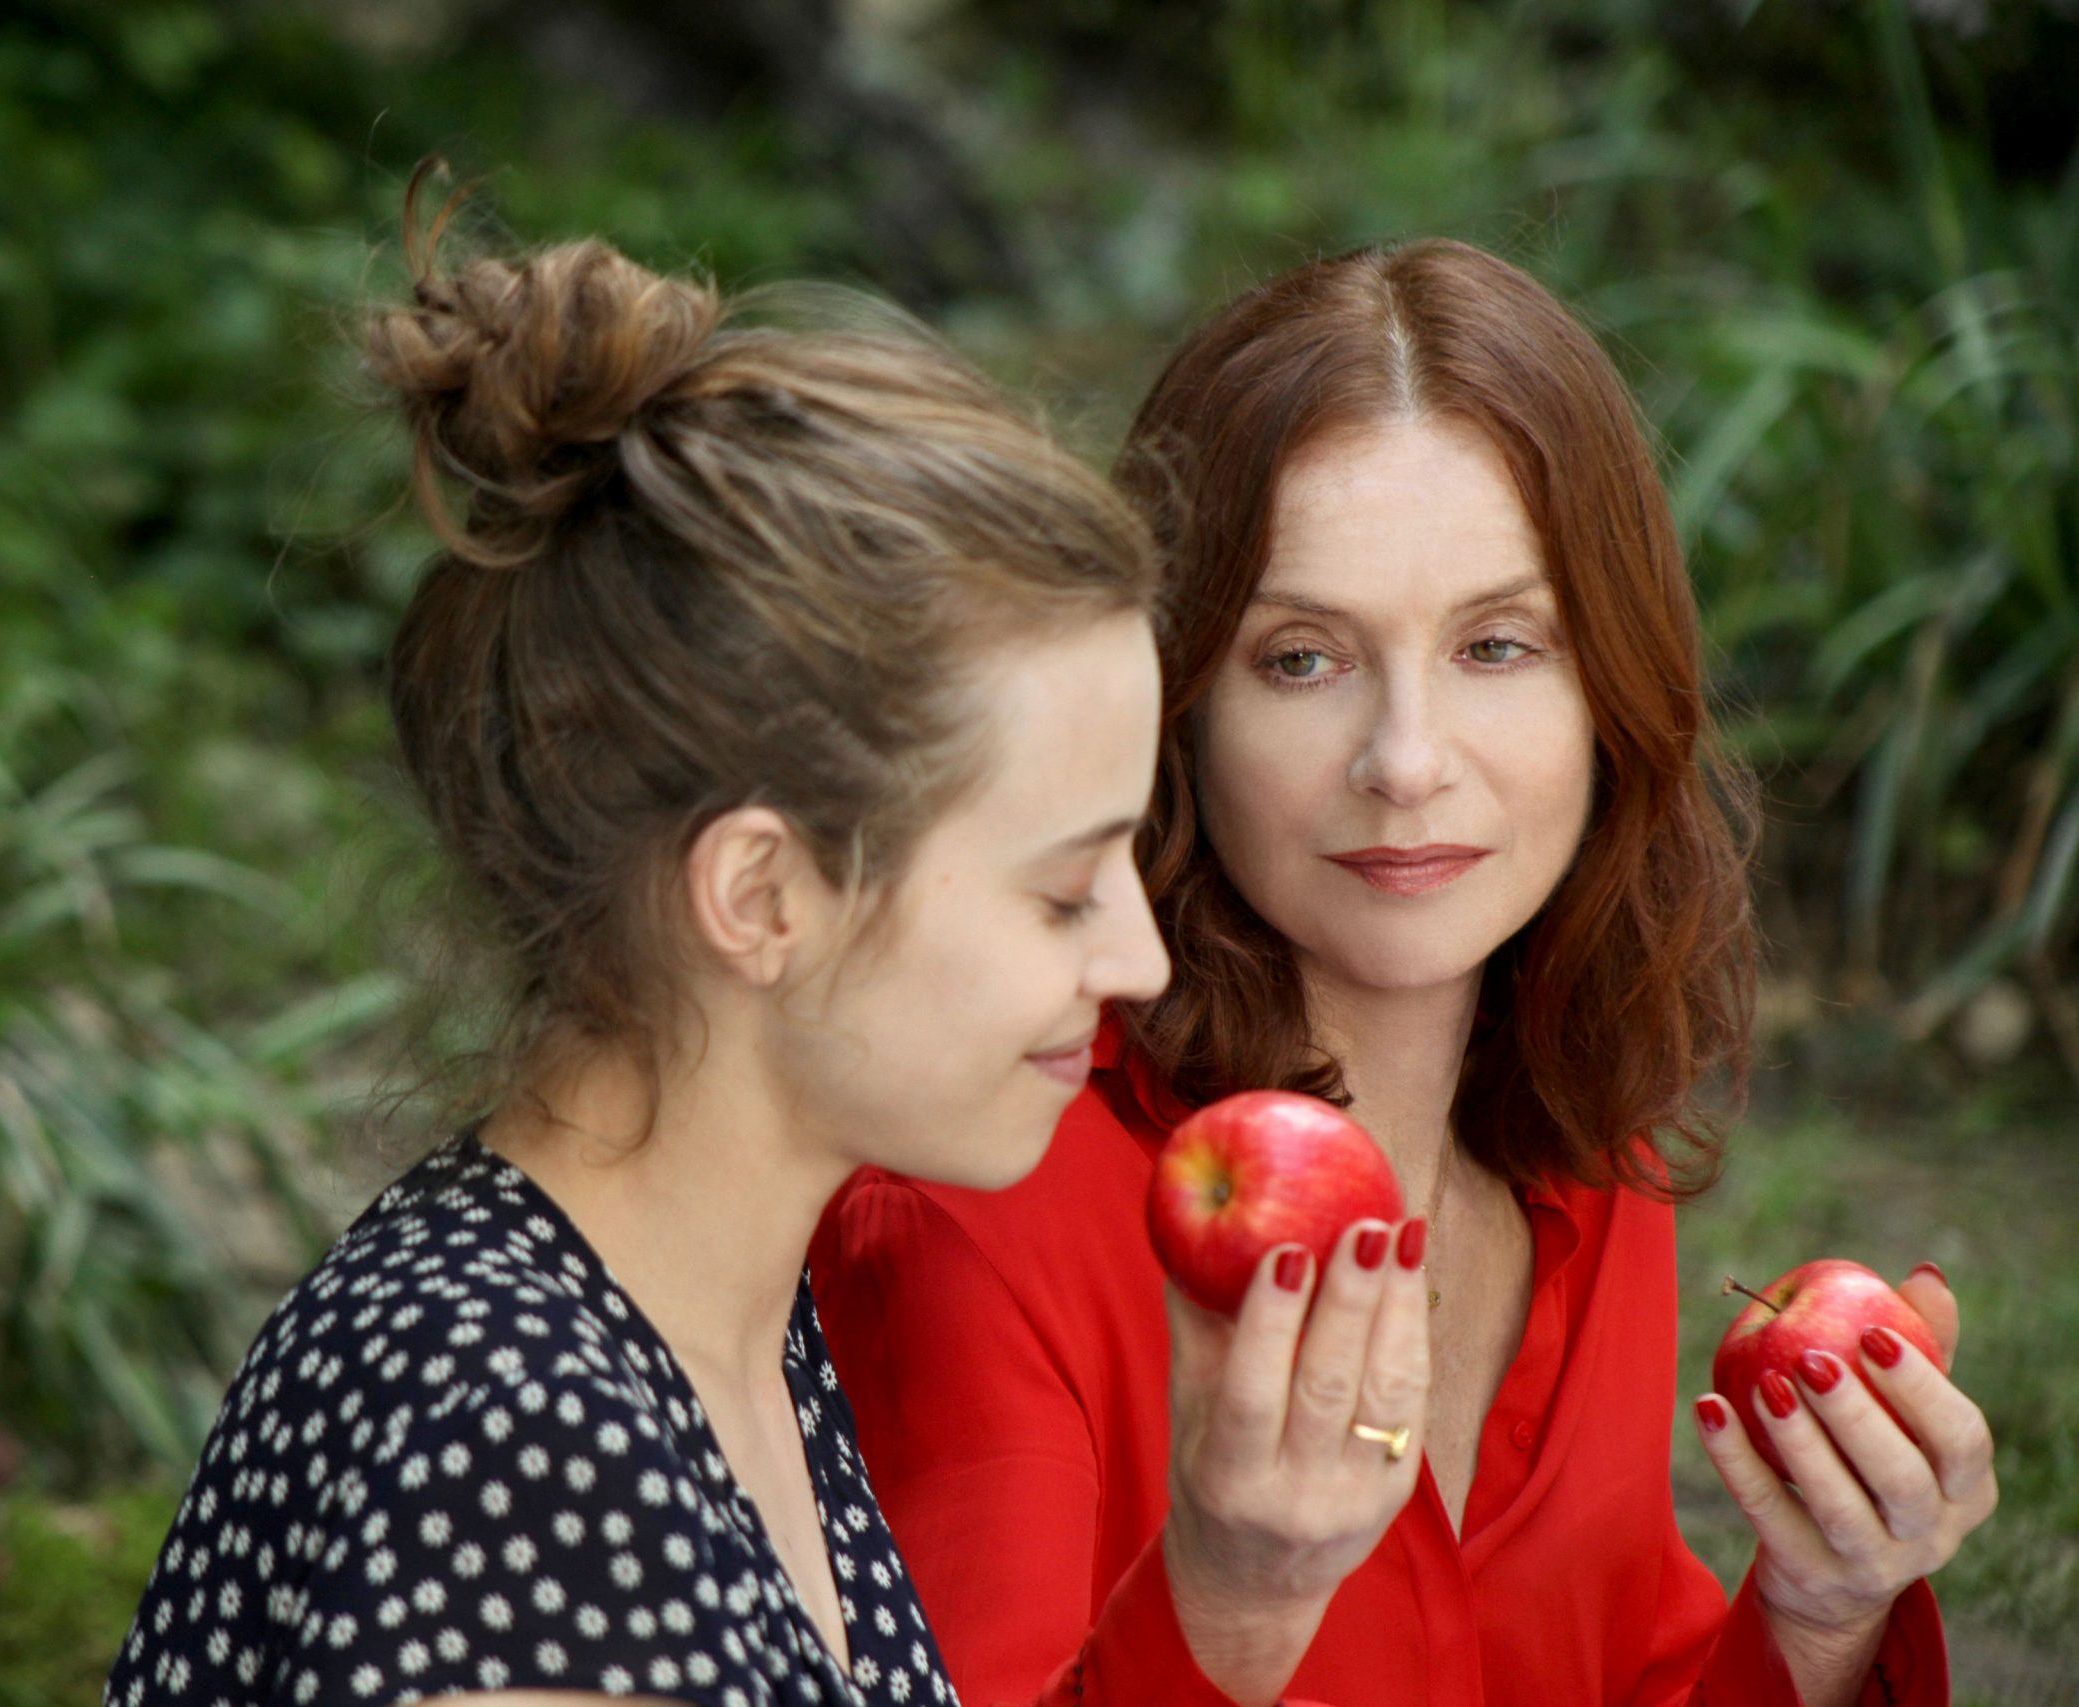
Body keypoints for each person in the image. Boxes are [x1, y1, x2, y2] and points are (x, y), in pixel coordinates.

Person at [808, 240, 1998, 1707]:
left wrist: (1821, 1615)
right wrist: (1228, 1607)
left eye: (1499, 645)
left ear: (1613, 688)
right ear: (1170, 704)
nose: (1408, 764)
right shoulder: (976, 1219)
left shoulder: (1583, 1159)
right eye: (1301, 659)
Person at [101, 177, 1175, 1707]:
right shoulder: (506, 1445)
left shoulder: (705, 1323)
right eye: (1064, 891)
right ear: (759, 895)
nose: (1139, 959)